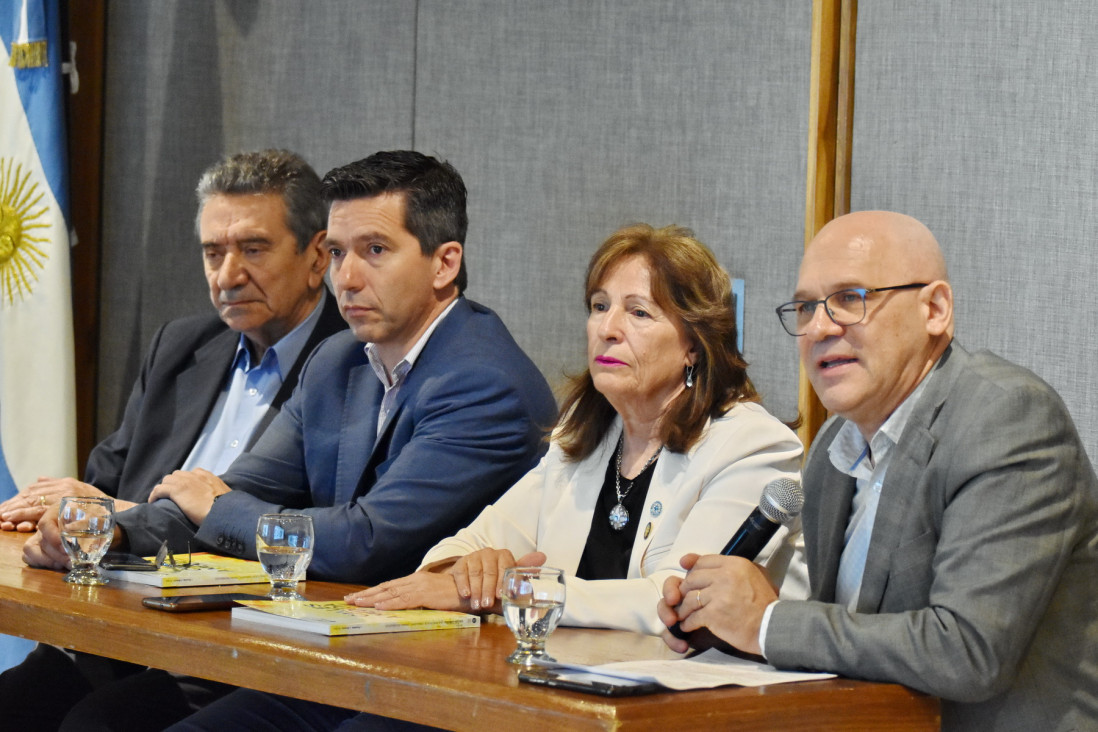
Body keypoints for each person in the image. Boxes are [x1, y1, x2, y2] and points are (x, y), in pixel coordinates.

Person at [170, 224, 808, 731]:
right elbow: (456, 551)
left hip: (663, 715)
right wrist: (469, 574)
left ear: (694, 342)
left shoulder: (751, 445)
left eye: (639, 313)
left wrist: (512, 586)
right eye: (599, 306)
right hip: (535, 694)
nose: (607, 327)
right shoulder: (585, 439)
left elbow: (676, 603)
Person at [658, 211, 1098, 731]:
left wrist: (768, 624)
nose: (819, 327)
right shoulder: (831, 453)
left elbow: (968, 652)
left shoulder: (1006, 420)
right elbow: (854, 649)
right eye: (804, 308)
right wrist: (731, 627)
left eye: (850, 299)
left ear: (935, 309)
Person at [2, 148, 348, 730]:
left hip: (228, 649)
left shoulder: (350, 368)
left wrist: (113, 513)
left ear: (317, 257)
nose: (228, 274)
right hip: (117, 628)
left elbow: (278, 529)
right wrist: (67, 510)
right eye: (214, 252)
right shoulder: (182, 345)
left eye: (254, 249)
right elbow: (103, 478)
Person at [126, 149, 558, 586]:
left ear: (444, 264)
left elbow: (362, 544)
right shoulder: (337, 360)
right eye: (336, 252)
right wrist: (108, 533)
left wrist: (219, 509)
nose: (346, 279)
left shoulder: (486, 386)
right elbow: (237, 488)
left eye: (374, 249)